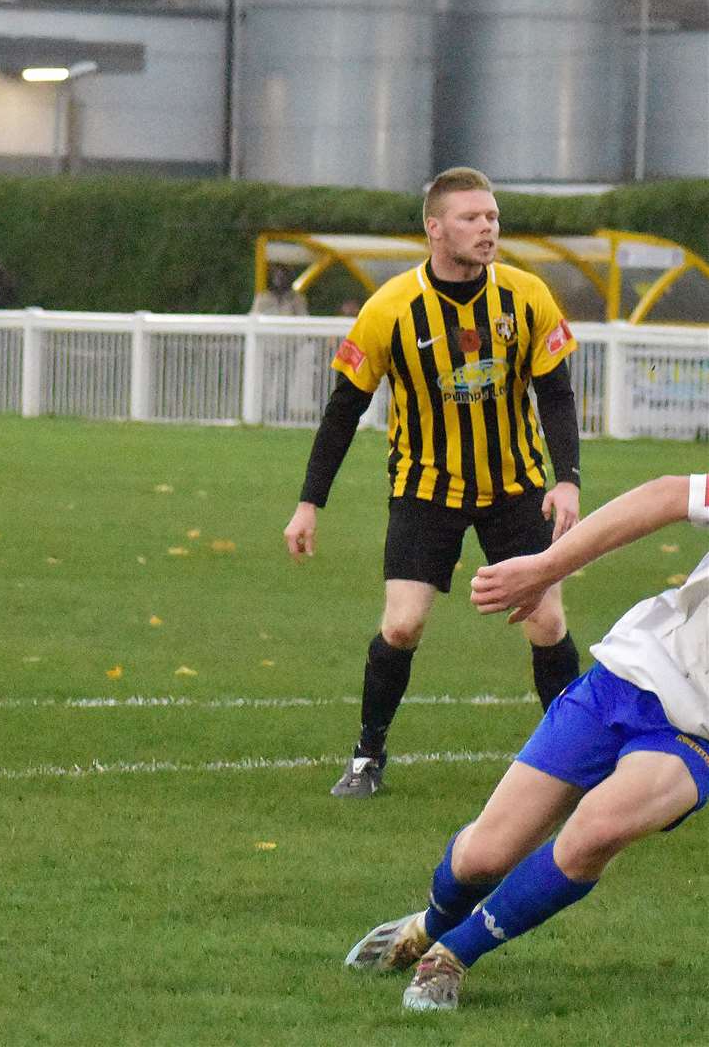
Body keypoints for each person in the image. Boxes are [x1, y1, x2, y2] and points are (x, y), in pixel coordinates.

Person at [345, 473, 709, 1011]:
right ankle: (431, 924)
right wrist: (544, 568)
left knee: (598, 829)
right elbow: (668, 496)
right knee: (483, 858)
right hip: (631, 674)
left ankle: (451, 956)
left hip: (697, 733)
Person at [283, 166, 583, 798]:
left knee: (547, 623)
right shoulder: (389, 308)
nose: (487, 229)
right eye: (472, 218)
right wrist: (309, 503)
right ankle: (367, 758)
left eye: (493, 218)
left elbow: (556, 393)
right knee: (402, 626)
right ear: (435, 228)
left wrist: (568, 481)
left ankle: (575, 762)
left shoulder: (526, 296)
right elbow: (344, 410)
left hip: (516, 488)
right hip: (425, 492)